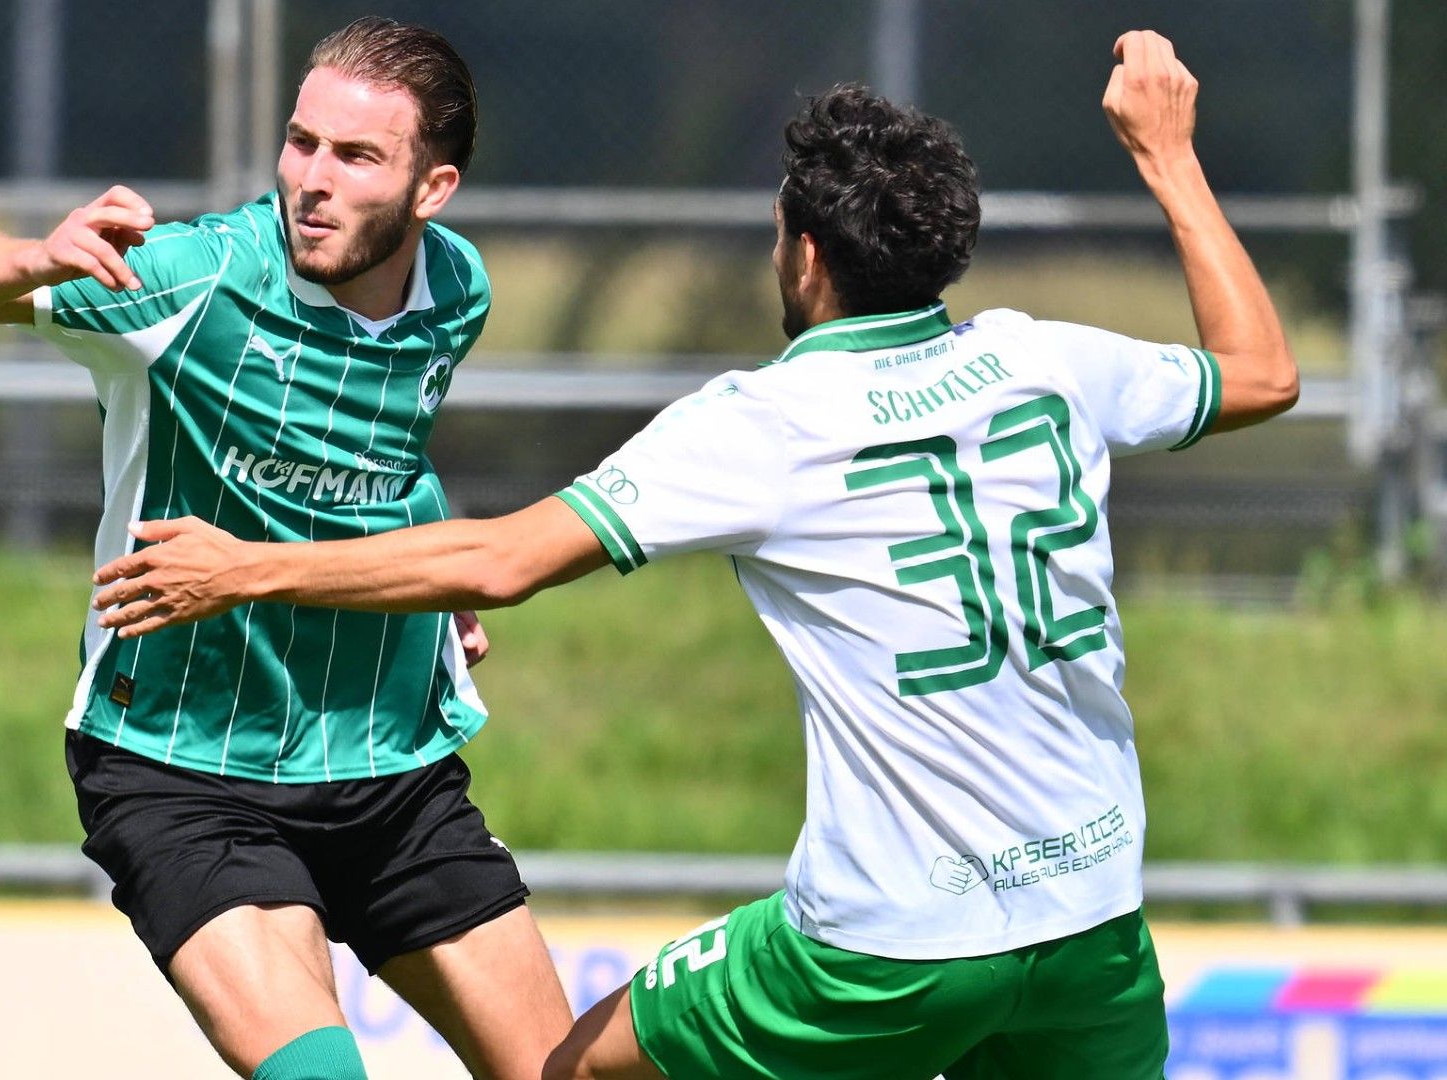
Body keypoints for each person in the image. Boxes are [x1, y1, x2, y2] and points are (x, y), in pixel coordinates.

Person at [85, 30, 1300, 1080]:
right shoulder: (1051, 361)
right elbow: (1262, 375)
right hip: (1094, 920)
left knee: (573, 1067)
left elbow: (505, 561)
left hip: (887, 941)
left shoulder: (767, 422)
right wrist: (1167, 155)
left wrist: (244, 569)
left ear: (803, 253)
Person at [0, 17, 572, 1080]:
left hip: (388, 763)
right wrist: (32, 257)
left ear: (431, 190)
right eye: (301, 142)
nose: (312, 180)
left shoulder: (455, 291)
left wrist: (430, 557)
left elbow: (388, 449)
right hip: (184, 769)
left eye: (356, 156)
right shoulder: (192, 278)